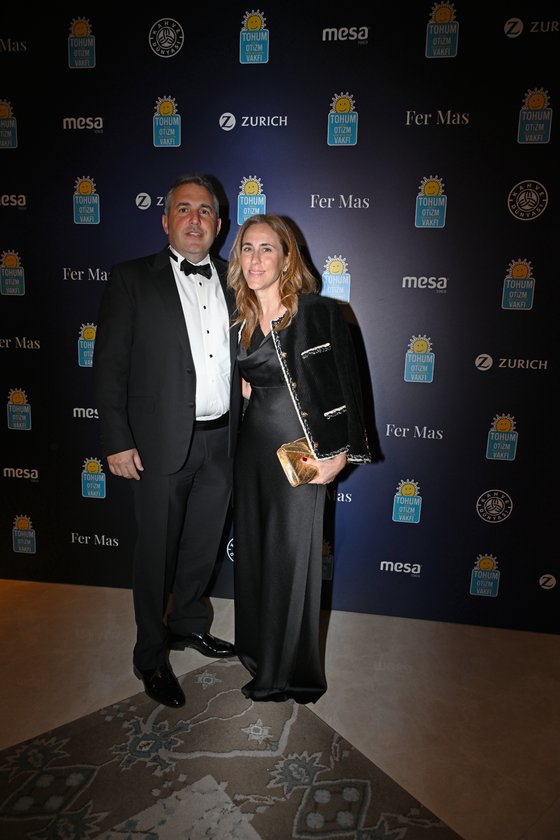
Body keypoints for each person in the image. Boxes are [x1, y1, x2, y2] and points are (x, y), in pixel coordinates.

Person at [93, 173, 241, 709]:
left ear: (219, 225)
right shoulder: (132, 279)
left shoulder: (236, 281)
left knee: (202, 546)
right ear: (165, 221)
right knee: (155, 555)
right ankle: (150, 656)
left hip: (223, 441)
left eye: (205, 211)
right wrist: (117, 439)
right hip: (158, 445)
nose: (195, 219)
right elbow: (109, 366)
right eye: (184, 209)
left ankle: (189, 623)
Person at [227, 214, 371, 704]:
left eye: (267, 248)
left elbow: (349, 385)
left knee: (291, 559)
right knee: (254, 556)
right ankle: (256, 651)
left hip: (301, 452)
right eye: (247, 248)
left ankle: (285, 671)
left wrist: (341, 454)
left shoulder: (318, 312)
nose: (255, 259)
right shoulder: (238, 318)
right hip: (251, 452)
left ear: (287, 258)